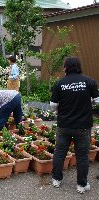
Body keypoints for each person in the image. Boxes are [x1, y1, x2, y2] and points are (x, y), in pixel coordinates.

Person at [50, 57, 99, 194]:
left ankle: (56, 179)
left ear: (66, 67)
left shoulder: (60, 83)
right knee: (82, 156)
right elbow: (97, 101)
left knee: (60, 153)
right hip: (83, 126)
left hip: (64, 125)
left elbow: (53, 105)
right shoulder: (89, 81)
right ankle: (81, 185)